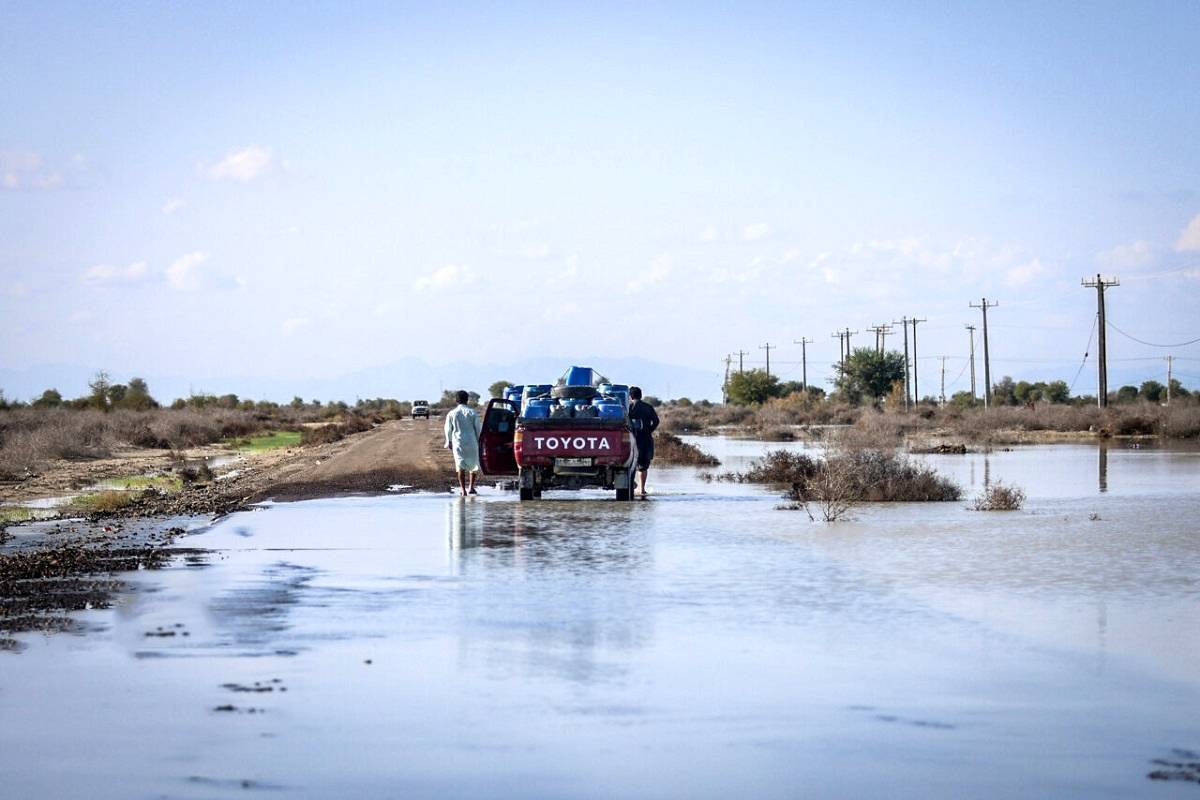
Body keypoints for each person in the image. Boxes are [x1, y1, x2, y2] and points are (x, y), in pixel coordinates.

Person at [443, 390, 482, 496]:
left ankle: (463, 490)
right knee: (474, 464)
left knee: (460, 465)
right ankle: (471, 487)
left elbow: (448, 429)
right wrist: (480, 441)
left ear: (456, 400)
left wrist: (449, 441)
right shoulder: (472, 412)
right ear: (467, 400)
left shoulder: (452, 413)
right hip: (472, 442)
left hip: (458, 442)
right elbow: (478, 429)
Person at [627, 386, 659, 498]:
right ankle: (642, 489)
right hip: (646, 439)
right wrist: (648, 431)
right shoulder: (648, 407)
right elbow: (656, 421)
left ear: (630, 396)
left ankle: (629, 488)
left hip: (631, 439)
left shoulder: (628, 407)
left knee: (629, 465)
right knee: (643, 466)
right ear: (640, 395)